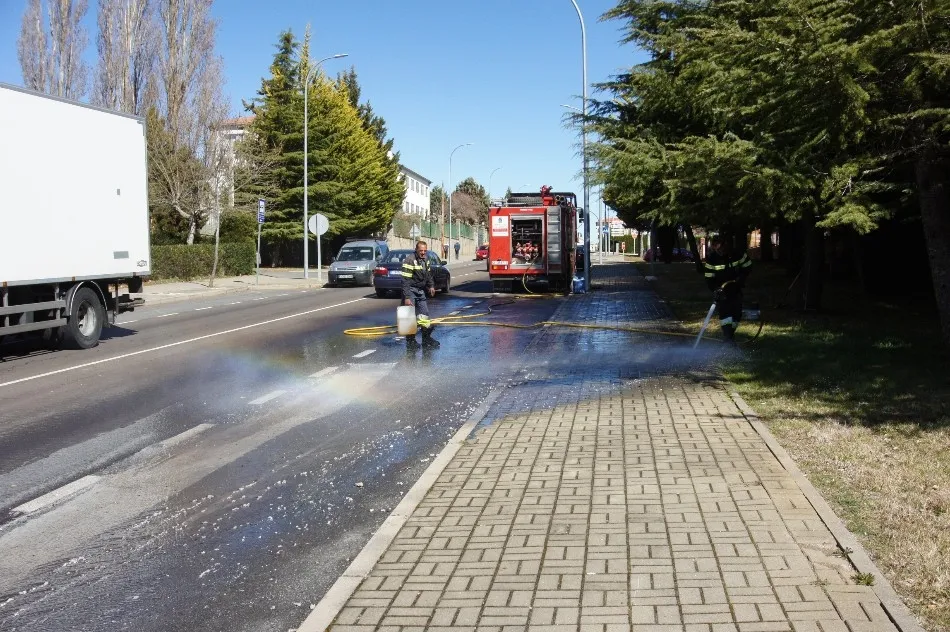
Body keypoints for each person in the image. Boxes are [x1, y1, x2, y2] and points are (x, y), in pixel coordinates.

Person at [703, 235, 752, 343]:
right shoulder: (712, 259)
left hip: (735, 288)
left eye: (720, 247)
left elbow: (748, 266)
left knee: (737, 313)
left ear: (725, 245)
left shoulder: (737, 255)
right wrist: (716, 289)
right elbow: (709, 278)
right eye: (716, 247)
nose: (719, 250)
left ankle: (730, 334)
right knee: (725, 313)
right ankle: (727, 336)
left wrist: (741, 277)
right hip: (722, 291)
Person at [402, 240, 439, 350]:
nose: (423, 253)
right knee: (409, 318)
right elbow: (405, 280)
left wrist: (431, 286)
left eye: (425, 251)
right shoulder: (409, 260)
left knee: (424, 315)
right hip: (411, 291)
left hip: (420, 290)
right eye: (421, 251)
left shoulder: (425, 259)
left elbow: (428, 275)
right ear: (416, 250)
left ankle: (426, 339)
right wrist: (407, 297)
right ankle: (410, 342)